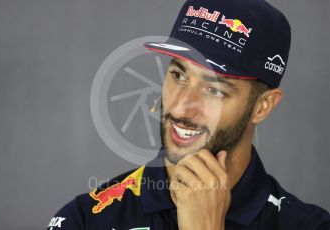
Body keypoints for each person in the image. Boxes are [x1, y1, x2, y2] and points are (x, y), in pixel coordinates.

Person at [46, 0, 330, 229]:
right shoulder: (86, 218)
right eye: (179, 75)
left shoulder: (309, 224)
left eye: (215, 90)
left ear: (262, 106)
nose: (181, 107)